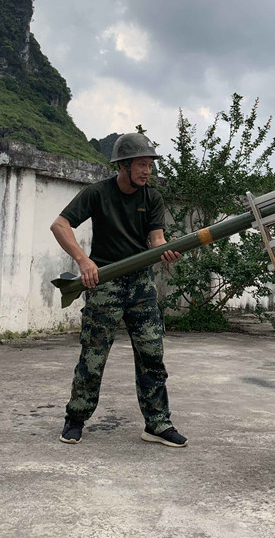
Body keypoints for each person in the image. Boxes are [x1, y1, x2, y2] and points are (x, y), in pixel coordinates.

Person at [50, 133, 186, 447]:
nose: (147, 171)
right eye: (141, 164)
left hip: (141, 285)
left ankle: (157, 424)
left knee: (152, 355)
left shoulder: (151, 198)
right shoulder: (97, 193)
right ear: (123, 165)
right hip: (104, 283)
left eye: (150, 165)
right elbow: (60, 225)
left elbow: (157, 240)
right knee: (93, 354)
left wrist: (167, 253)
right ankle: (76, 419)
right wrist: (83, 260)